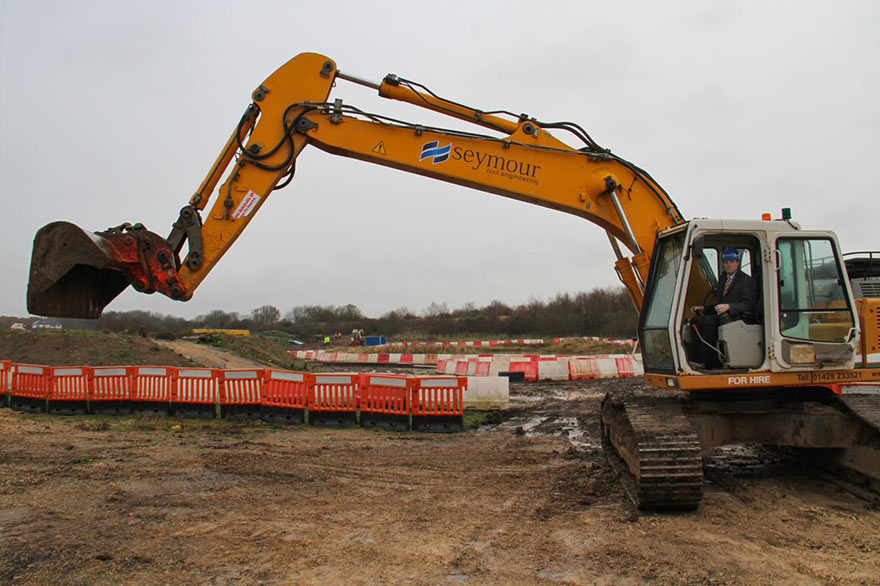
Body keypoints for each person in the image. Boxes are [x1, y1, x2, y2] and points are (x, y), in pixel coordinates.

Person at [690, 247, 755, 368]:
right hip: (723, 314)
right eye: (726, 262)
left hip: (737, 316)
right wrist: (703, 308)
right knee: (695, 321)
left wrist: (729, 307)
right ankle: (695, 358)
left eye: (731, 262)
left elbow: (748, 304)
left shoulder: (745, 281)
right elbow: (719, 304)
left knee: (709, 322)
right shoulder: (723, 280)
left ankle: (708, 361)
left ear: (737, 263)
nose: (728, 265)